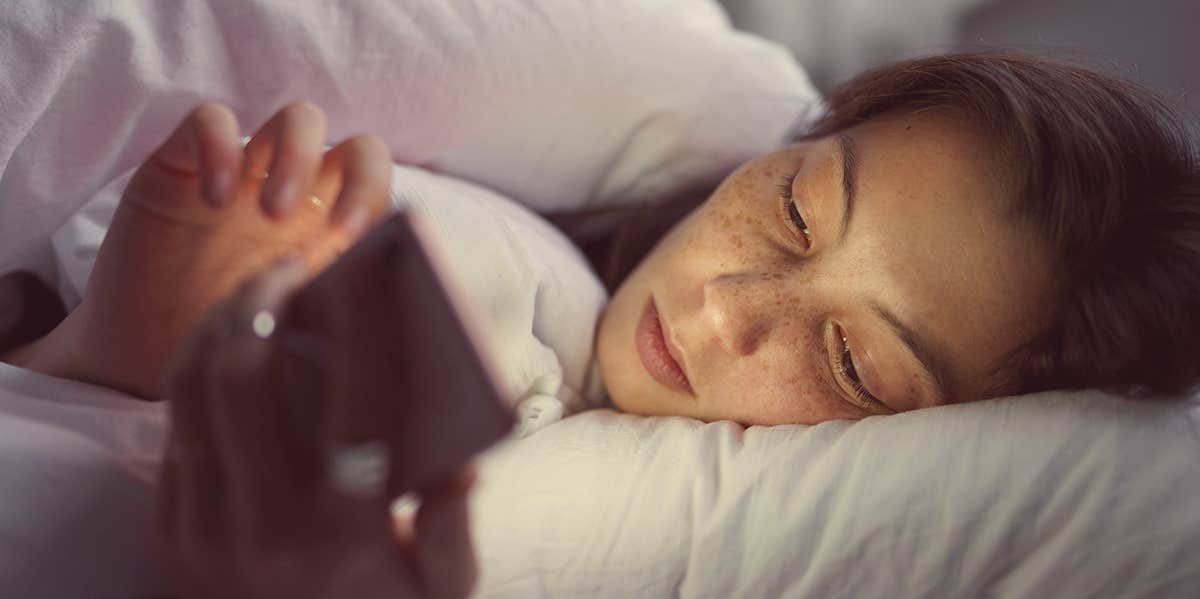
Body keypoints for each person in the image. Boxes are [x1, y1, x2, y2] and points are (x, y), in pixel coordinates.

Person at [1, 51, 1198, 596]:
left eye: (848, 360)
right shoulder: (495, 239)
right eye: (791, 211)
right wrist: (101, 346)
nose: (727, 309)